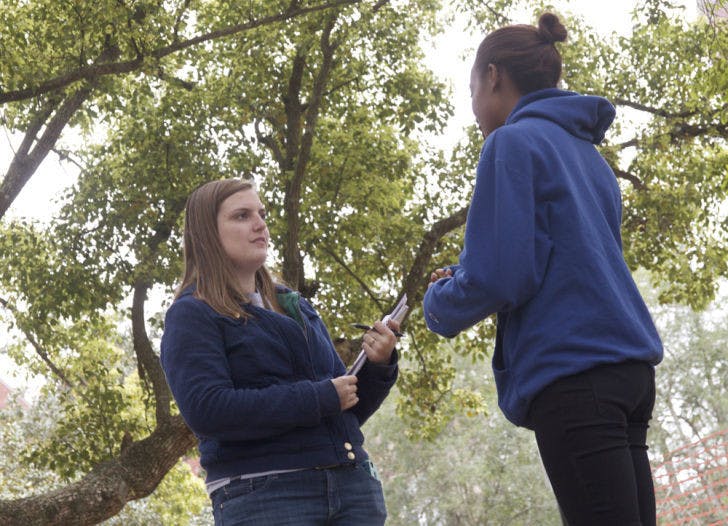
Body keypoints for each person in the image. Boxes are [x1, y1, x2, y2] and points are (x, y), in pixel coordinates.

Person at [422, 13, 663, 526]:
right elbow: (557, 257)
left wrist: (439, 305)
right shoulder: (589, 156)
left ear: (493, 77)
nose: (472, 107)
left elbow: (503, 275)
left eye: (470, 90)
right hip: (629, 370)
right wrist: (466, 269)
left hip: (574, 373)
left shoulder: (510, 143)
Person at [161, 179, 400, 525]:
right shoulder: (193, 313)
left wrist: (378, 366)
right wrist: (319, 397)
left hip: (353, 488)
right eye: (242, 216)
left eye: (262, 213)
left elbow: (342, 406)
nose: (260, 224)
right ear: (207, 234)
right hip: (265, 494)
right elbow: (208, 410)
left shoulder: (295, 305)